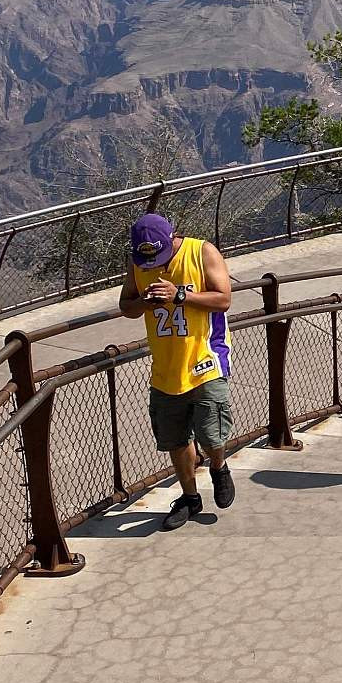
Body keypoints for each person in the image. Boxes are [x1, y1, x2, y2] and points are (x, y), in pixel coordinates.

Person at [118, 213, 236, 529]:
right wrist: (144, 303)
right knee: (176, 439)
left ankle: (218, 465)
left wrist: (179, 295)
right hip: (165, 369)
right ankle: (189, 497)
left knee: (212, 432)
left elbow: (223, 299)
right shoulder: (138, 264)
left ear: (171, 238)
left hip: (206, 360)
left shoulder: (201, 252)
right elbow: (125, 306)